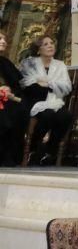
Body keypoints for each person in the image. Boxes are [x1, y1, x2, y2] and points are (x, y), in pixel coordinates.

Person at [20, 35, 73, 166]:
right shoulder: (29, 63)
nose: (50, 46)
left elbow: (67, 87)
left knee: (66, 116)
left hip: (55, 101)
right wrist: (51, 85)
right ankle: (33, 148)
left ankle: (49, 150)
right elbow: (27, 84)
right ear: (38, 49)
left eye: (51, 43)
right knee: (47, 114)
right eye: (45, 44)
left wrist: (47, 83)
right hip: (34, 101)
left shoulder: (60, 65)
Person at [0, 31, 28, 166]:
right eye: (0, 39)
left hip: (9, 100)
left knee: (20, 109)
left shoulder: (6, 62)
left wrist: (11, 92)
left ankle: (9, 156)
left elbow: (18, 84)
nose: (4, 41)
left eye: (4, 39)